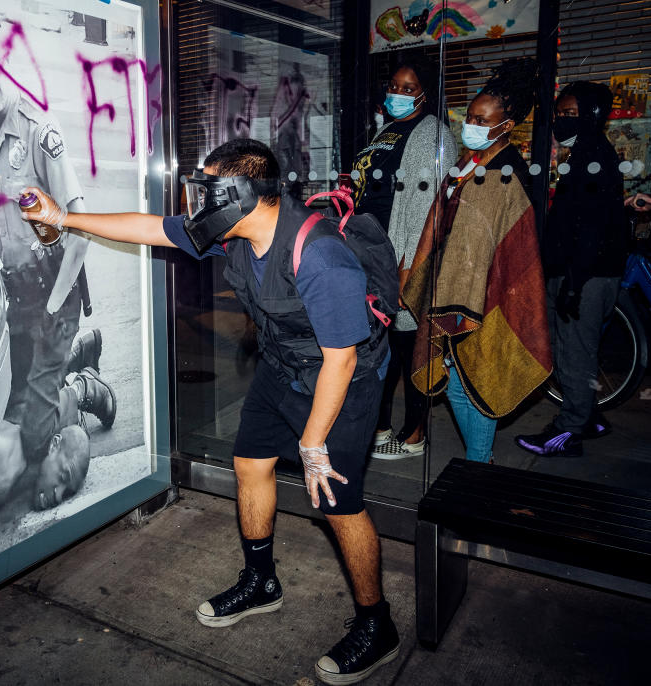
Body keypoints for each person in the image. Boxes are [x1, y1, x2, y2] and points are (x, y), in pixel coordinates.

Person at [20, 138, 400, 685]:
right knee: (250, 464)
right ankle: (261, 580)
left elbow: (340, 359)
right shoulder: (236, 234)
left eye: (207, 190)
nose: (196, 203)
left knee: (338, 502)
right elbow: (150, 228)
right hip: (283, 362)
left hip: (344, 379)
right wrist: (63, 217)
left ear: (238, 194)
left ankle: (376, 623)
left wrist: (313, 444)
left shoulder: (319, 256)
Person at [0, 0, 115, 509]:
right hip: (11, 309)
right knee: (11, 411)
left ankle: (85, 390)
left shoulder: (39, 131)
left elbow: (81, 230)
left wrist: (51, 314)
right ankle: (73, 361)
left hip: (52, 301)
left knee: (30, 440)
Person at [402, 58, 552, 463]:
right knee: (457, 380)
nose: (473, 125)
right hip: (456, 287)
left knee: (477, 379)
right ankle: (478, 459)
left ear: (507, 125)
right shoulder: (470, 163)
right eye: (470, 116)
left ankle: (480, 462)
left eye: (484, 120)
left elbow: (495, 243)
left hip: (488, 294)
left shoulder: (506, 172)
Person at [352, 55, 457, 460]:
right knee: (379, 346)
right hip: (372, 253)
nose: (397, 93)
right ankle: (379, 427)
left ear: (425, 94)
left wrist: (408, 266)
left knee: (411, 347)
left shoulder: (435, 138)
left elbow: (429, 209)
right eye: (393, 86)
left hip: (402, 257)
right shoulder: (388, 130)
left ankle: (414, 434)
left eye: (408, 88)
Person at [516, 82, 625, 457]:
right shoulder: (586, 153)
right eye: (559, 113)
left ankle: (568, 432)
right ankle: (590, 417)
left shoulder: (593, 156)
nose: (560, 120)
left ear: (592, 115)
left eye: (569, 114)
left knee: (573, 353)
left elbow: (591, 229)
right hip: (584, 273)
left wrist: (573, 284)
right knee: (575, 351)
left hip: (585, 276)